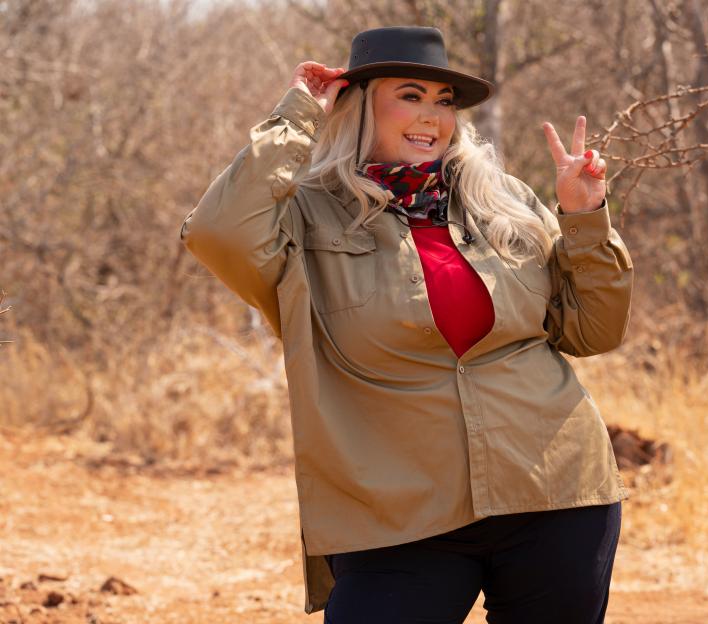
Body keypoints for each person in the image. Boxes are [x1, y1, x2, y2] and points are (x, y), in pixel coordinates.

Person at [181, 25, 634, 624]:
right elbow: (216, 232)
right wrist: (298, 116)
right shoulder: (306, 216)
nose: (433, 117)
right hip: (396, 514)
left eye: (444, 101)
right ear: (358, 104)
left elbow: (593, 332)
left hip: (553, 490)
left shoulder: (504, 201)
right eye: (411, 95)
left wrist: (584, 218)